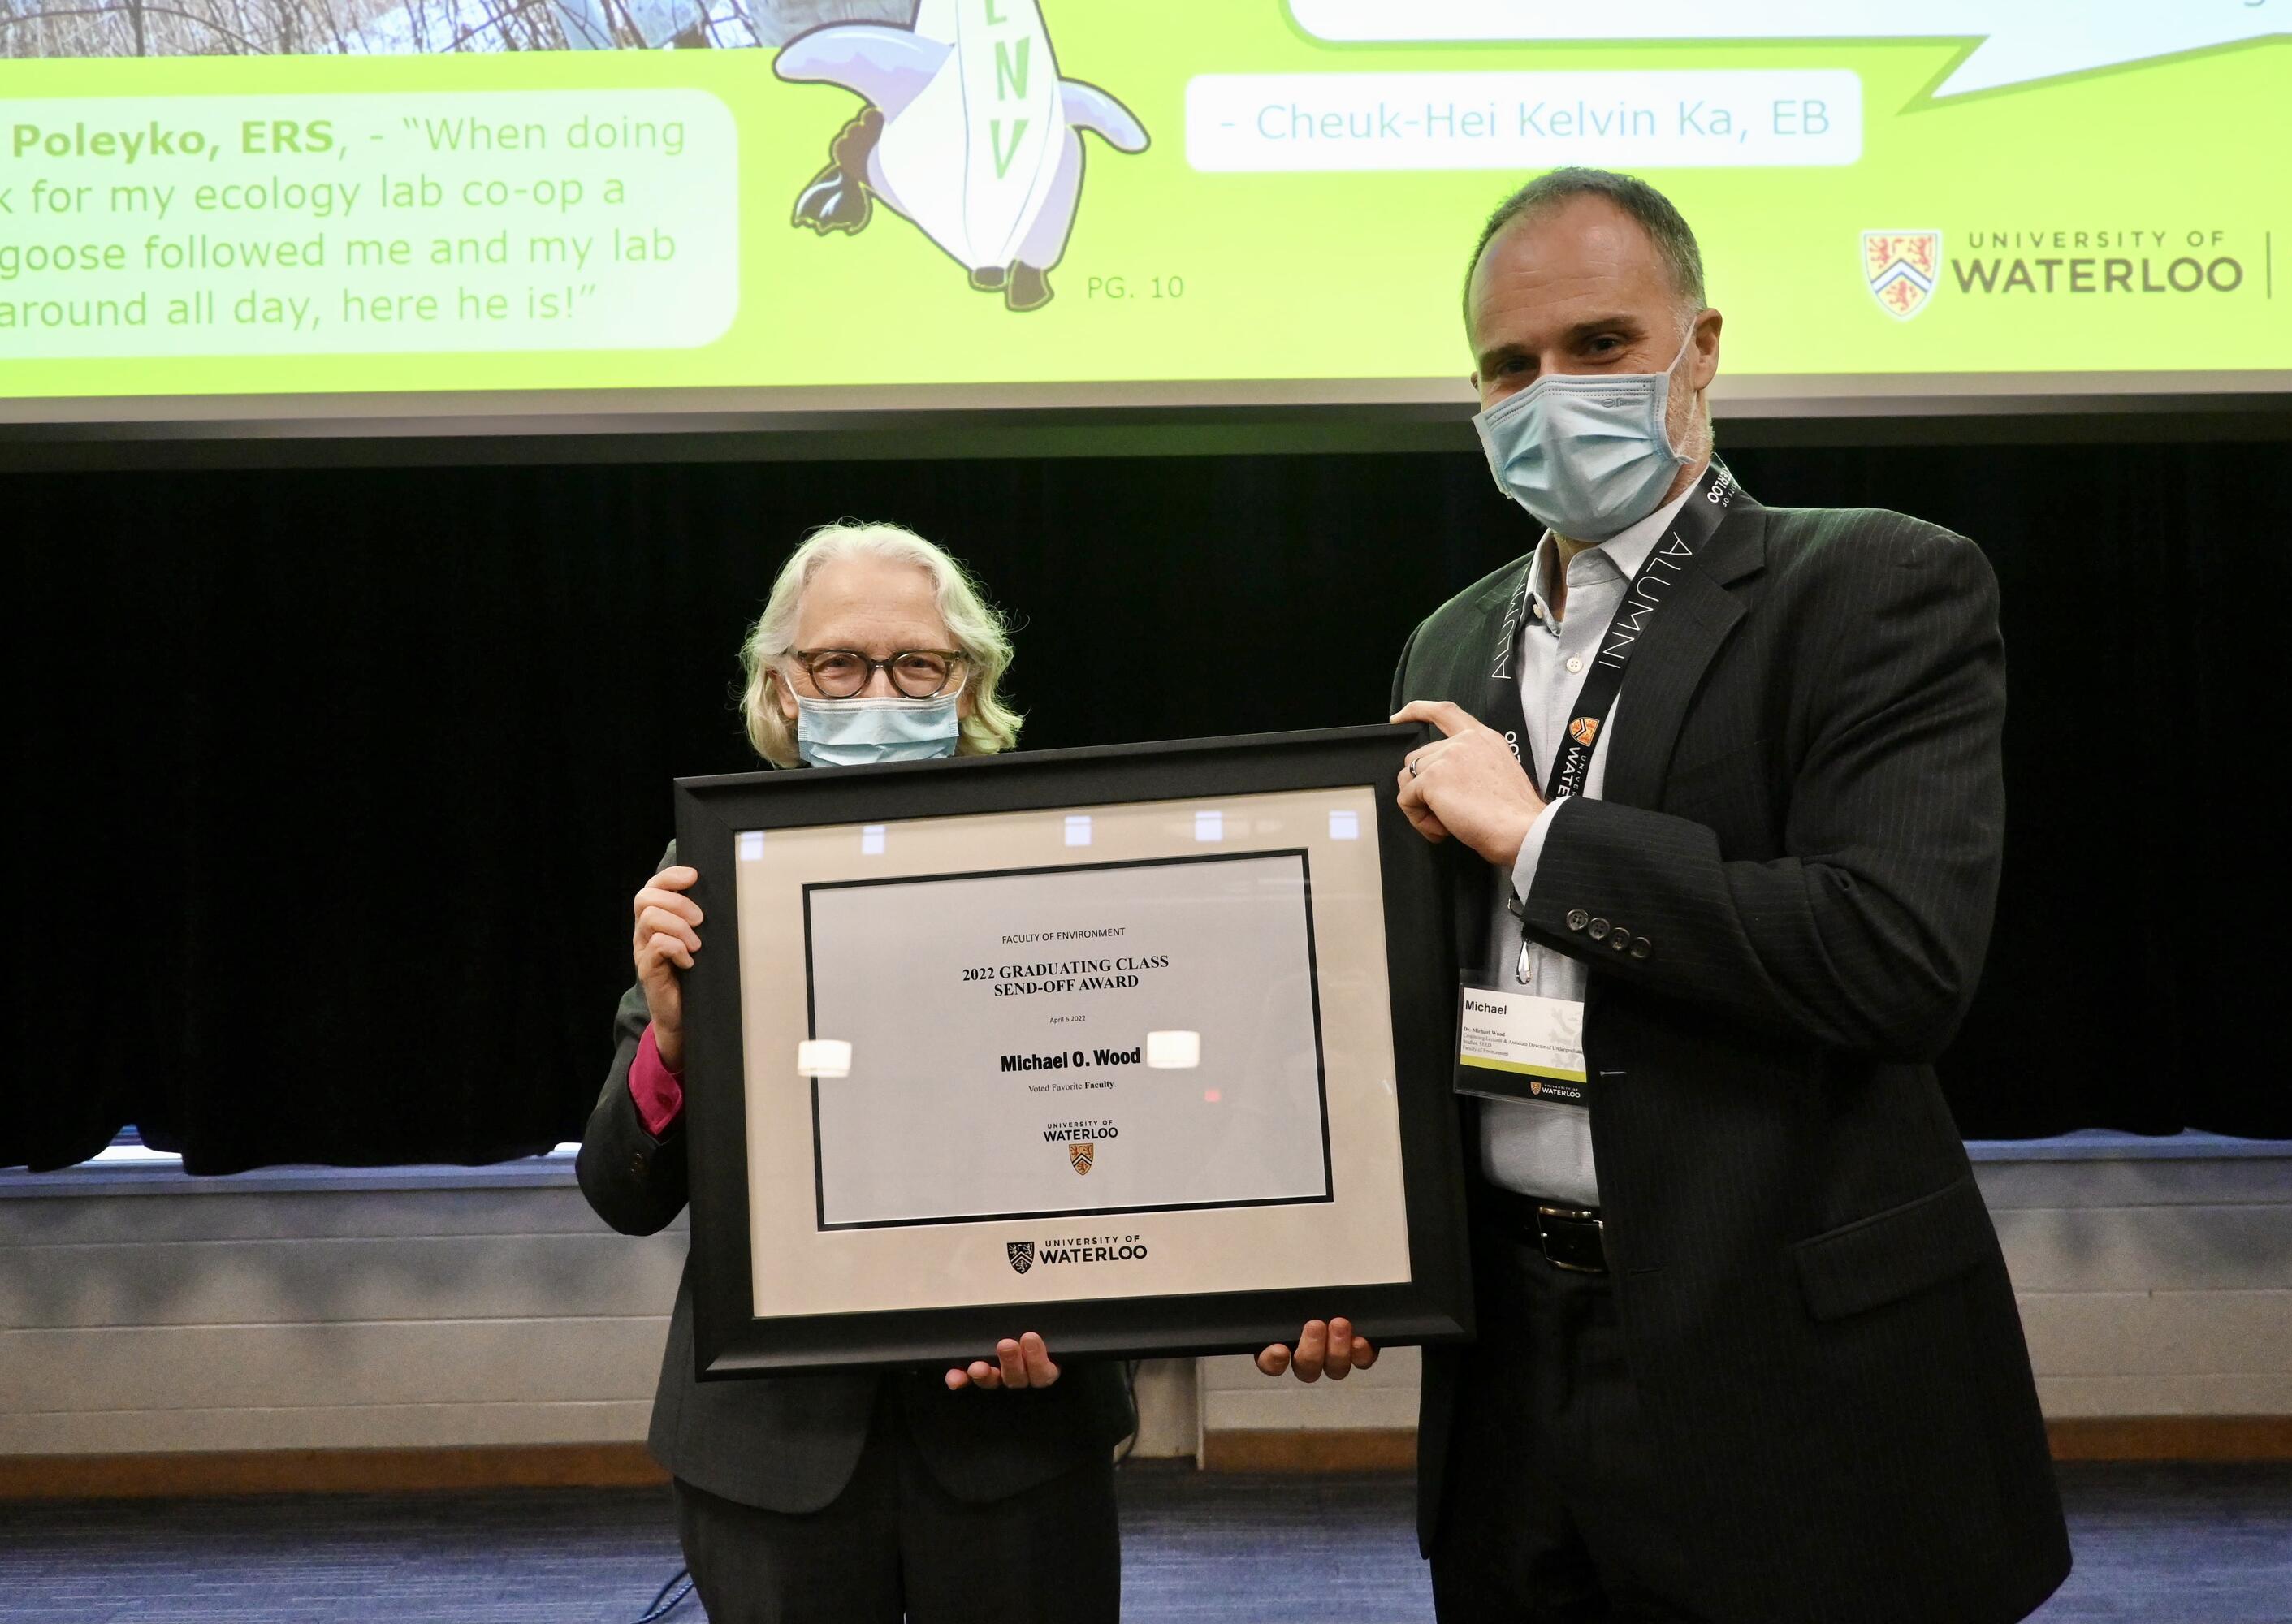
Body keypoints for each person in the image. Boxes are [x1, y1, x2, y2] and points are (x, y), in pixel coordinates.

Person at [1254, 170, 2073, 1622]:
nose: (1548, 390)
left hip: (1790, 1366)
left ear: (1701, 347)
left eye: (1600, 345)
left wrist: (1541, 841)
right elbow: (1410, 993)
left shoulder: (1877, 582)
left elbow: (1895, 959)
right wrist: (1340, 1251)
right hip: (1509, 1360)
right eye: (1510, 364)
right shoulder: (1447, 643)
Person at [577, 521, 1135, 1624]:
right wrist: (674, 1044)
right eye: (841, 663)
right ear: (785, 688)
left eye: (914, 663)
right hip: (770, 1449)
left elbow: (1121, 1138)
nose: (877, 689)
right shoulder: (704, 880)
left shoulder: (1066, 859)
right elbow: (622, 1193)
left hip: (1019, 1427)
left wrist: (1075, 1317)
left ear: (965, 682)